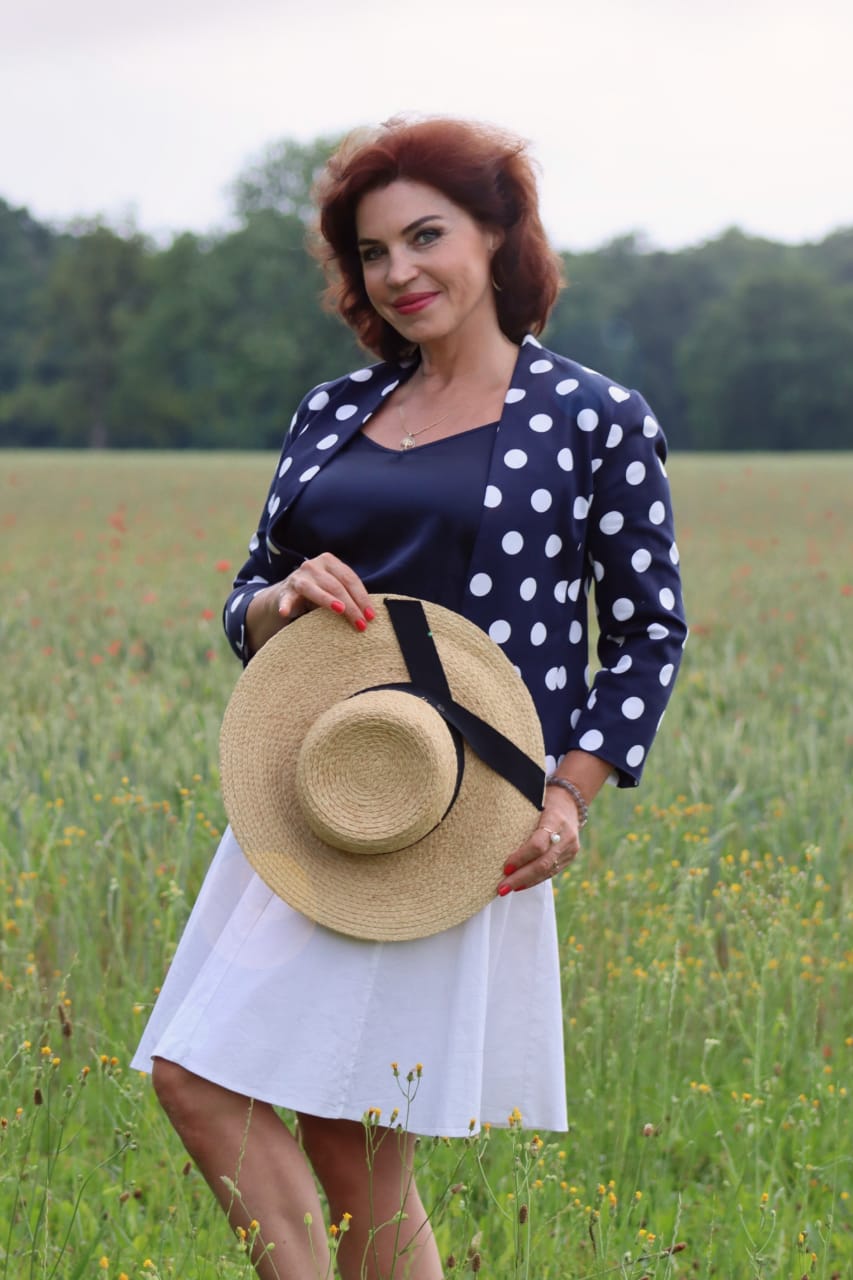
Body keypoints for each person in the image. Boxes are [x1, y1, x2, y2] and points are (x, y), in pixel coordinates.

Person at [132, 116, 687, 1280]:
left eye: (426, 236)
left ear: (496, 235)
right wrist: (278, 600)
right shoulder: (332, 410)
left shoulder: (592, 416)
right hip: (311, 789)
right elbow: (247, 596)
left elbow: (646, 633)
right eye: (373, 251)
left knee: (327, 1130)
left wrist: (569, 796)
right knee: (244, 1095)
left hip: (456, 808)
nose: (399, 271)